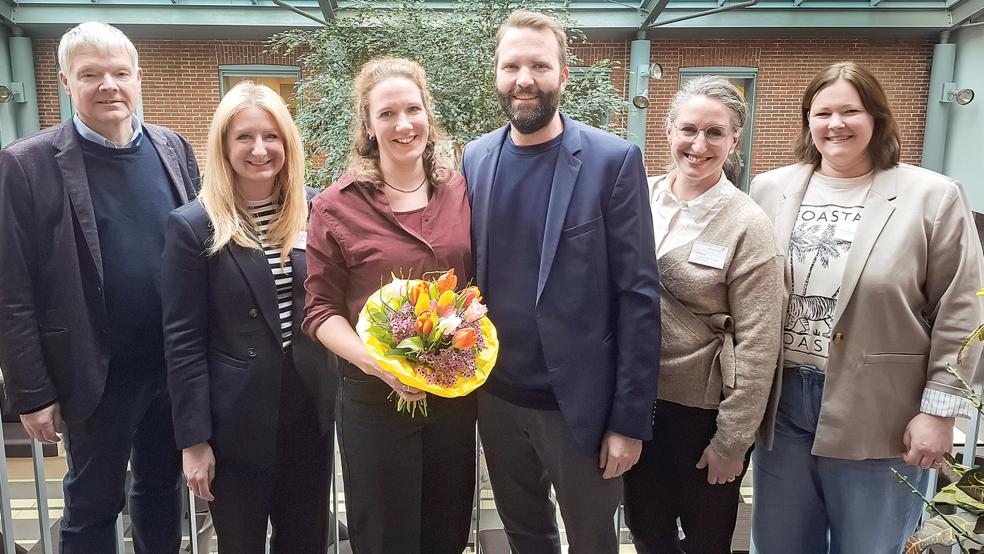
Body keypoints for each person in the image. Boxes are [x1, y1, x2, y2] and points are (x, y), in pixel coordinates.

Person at [750, 61, 984, 553]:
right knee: (779, 545)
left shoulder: (932, 197)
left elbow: (961, 308)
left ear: (876, 117)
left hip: (882, 413)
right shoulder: (769, 189)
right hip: (783, 405)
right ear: (807, 120)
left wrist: (939, 413)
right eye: (822, 112)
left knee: (870, 546)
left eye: (850, 111)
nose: (835, 124)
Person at [461, 10, 662, 554]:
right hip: (497, 402)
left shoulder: (613, 161)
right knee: (526, 536)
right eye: (511, 66)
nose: (524, 78)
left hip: (581, 410)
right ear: (497, 75)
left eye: (538, 65)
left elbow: (639, 298)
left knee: (592, 541)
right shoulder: (475, 159)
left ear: (564, 75)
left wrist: (628, 422)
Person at [0, 22, 198, 553]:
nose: (108, 85)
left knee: (162, 493)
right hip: (94, 371)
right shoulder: (26, 164)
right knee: (91, 507)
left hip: (171, 366)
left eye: (119, 73)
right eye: (91, 75)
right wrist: (33, 392)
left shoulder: (173, 148)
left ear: (139, 78)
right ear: (67, 82)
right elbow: (11, 289)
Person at [302, 57, 475, 554]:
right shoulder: (336, 206)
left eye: (413, 109)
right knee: (384, 538)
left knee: (446, 531)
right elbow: (320, 310)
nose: (403, 124)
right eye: (387, 114)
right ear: (368, 125)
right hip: (374, 398)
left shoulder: (459, 191)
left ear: (428, 114)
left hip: (451, 394)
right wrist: (377, 364)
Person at [161, 82, 338, 553]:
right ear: (223, 145)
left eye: (271, 136)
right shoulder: (193, 225)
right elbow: (182, 340)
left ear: (288, 143)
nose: (260, 150)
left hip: (307, 412)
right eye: (244, 137)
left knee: (306, 541)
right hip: (233, 423)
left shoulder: (315, 209)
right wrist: (193, 441)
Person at [621, 76, 783, 554]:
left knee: (706, 538)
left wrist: (732, 441)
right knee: (647, 530)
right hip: (637, 399)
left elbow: (758, 343)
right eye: (688, 129)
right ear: (668, 131)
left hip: (704, 411)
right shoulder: (635, 197)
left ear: (734, 140)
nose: (698, 144)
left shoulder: (748, 225)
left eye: (715, 132)